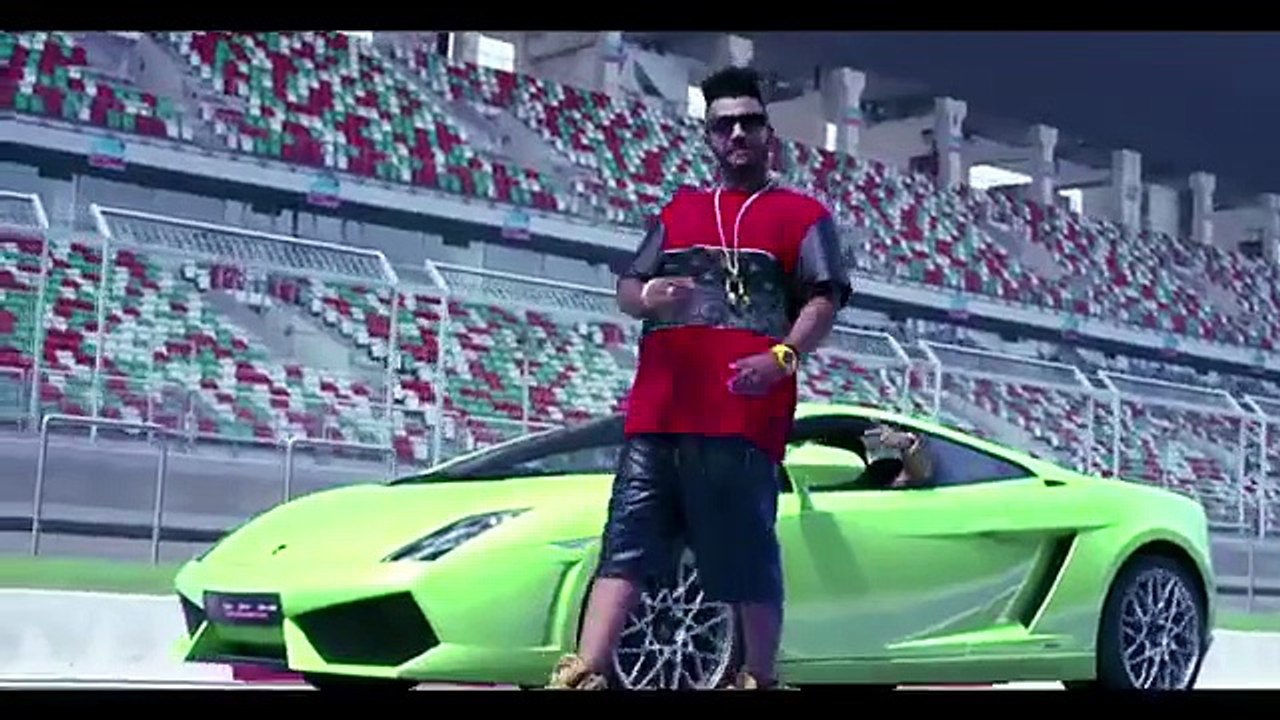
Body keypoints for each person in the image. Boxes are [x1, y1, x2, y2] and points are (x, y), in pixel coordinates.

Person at [547, 66, 852, 691]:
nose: (737, 134)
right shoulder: (679, 210)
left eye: (749, 122)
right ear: (708, 136)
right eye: (724, 125)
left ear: (768, 133)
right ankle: (586, 671)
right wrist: (646, 296)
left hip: (742, 420)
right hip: (659, 414)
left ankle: (758, 676)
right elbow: (628, 287)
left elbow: (824, 298)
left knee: (746, 552)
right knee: (625, 541)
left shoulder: (803, 216)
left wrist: (783, 357)